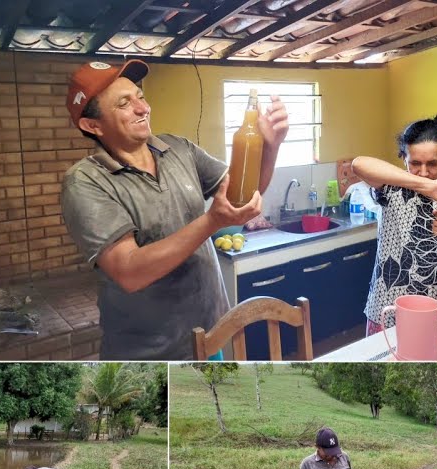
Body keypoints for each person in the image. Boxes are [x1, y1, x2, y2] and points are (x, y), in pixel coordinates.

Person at [59, 60, 289, 360]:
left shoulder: (178, 148)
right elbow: (128, 271)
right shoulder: (85, 181)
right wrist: (210, 222)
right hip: (149, 354)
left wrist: (270, 147)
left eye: (140, 96)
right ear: (93, 125)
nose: (142, 108)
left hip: (210, 336)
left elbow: (240, 198)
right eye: (124, 104)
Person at [352, 115, 437, 335]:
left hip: (435, 309)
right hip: (386, 308)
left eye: (432, 163)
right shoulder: (391, 186)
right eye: (414, 163)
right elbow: (358, 164)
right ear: (403, 157)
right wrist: (426, 186)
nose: (423, 171)